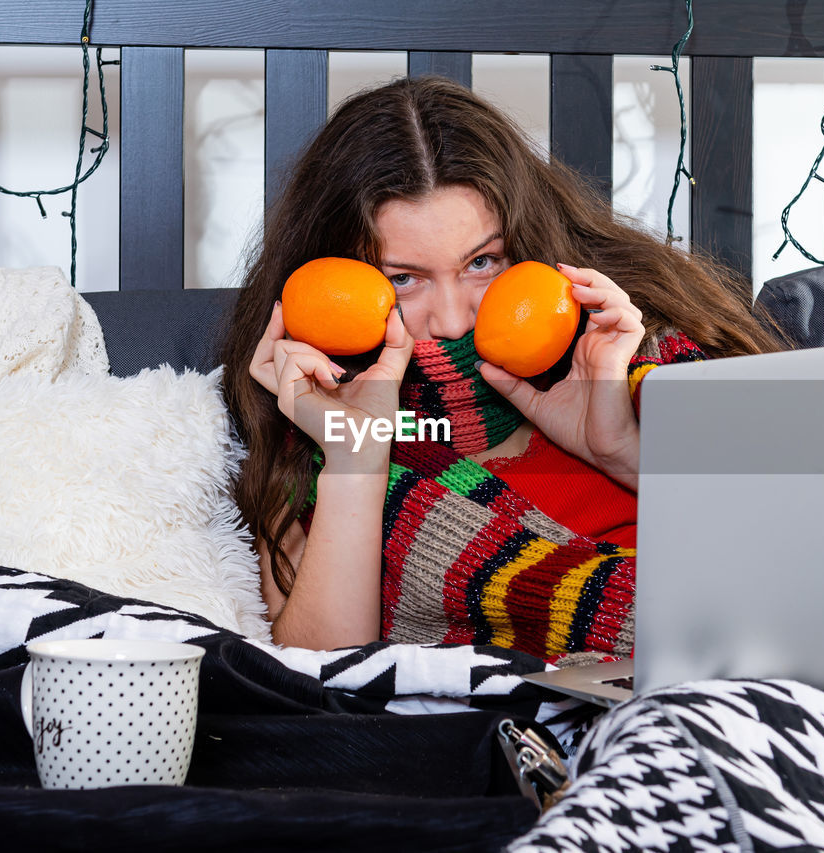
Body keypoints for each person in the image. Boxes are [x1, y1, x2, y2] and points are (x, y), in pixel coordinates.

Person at [220, 76, 784, 656]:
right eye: (403, 278)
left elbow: (807, 543)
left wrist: (621, 450)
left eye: (482, 262)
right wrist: (356, 454)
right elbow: (321, 678)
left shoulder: (639, 358)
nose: (453, 320)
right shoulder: (317, 441)